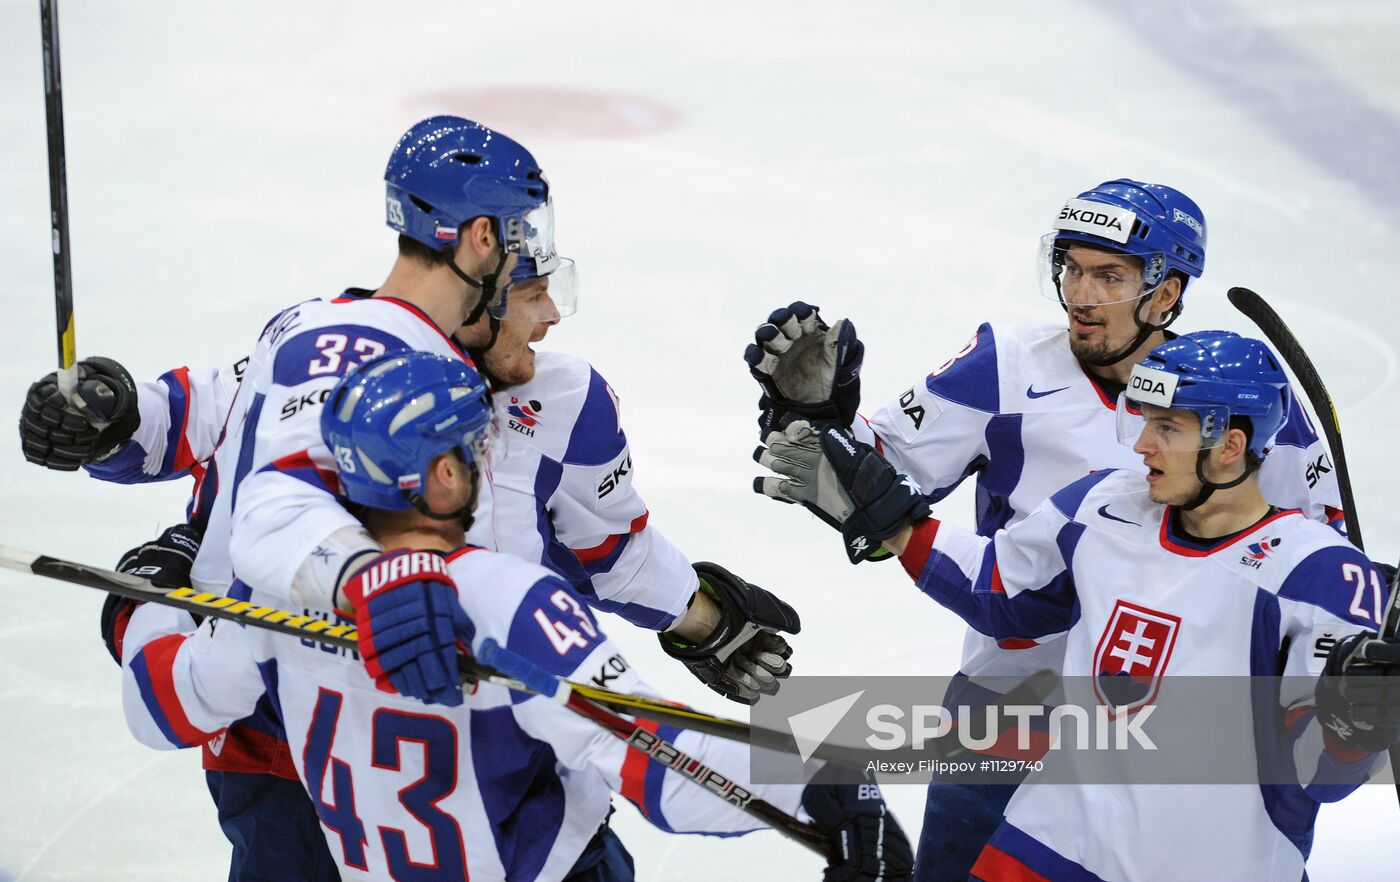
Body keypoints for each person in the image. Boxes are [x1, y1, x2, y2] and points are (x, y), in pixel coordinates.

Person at [24, 115, 797, 878]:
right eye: (529, 277)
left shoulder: (261, 624)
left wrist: (144, 609)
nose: (551, 311)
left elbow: (170, 689)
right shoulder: (504, 600)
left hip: (326, 763)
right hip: (415, 787)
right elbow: (683, 770)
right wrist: (880, 744)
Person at [744, 179, 1352, 880]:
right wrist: (820, 418)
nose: (1080, 295)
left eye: (1109, 275)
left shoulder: (1244, 404)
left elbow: (1314, 576)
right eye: (1070, 268)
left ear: (1165, 292)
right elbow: (870, 483)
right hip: (1004, 713)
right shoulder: (1007, 365)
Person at [118, 350, 914, 882]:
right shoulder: (503, 597)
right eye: (475, 448)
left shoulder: (276, 606)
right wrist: (823, 785)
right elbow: (657, 763)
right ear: (442, 476)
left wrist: (139, 606)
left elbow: (161, 704)